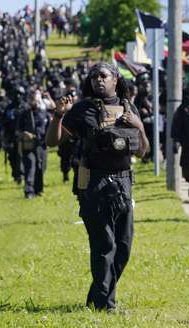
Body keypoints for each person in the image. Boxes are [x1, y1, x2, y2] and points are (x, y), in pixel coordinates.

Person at [46, 62, 149, 311]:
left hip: (124, 182)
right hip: (95, 183)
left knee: (123, 248)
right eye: (93, 77)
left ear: (116, 79)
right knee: (105, 246)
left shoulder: (129, 108)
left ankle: (97, 298)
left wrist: (140, 126)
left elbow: (144, 151)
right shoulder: (84, 110)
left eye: (103, 76)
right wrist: (58, 115)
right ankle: (105, 305)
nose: (97, 80)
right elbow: (52, 141)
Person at [16, 96, 51, 199]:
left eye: (36, 99)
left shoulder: (44, 114)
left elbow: (49, 129)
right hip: (28, 146)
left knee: (41, 168)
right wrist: (24, 134)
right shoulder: (24, 114)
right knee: (30, 166)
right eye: (32, 100)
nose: (34, 102)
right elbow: (17, 130)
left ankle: (38, 190)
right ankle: (28, 191)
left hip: (41, 145)